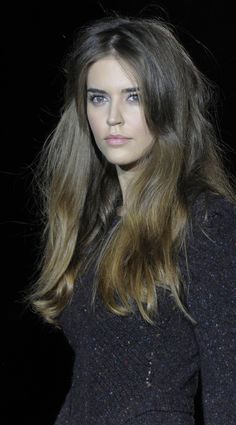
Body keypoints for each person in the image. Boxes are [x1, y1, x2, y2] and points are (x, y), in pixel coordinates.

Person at [28, 14, 236, 425]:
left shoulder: (206, 221)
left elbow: (227, 383)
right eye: (99, 97)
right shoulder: (95, 226)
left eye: (134, 96)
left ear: (167, 102)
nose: (113, 118)